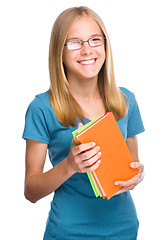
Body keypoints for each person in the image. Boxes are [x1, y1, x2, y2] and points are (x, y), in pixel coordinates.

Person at [22, 6, 145, 240]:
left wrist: (139, 175)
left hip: (124, 229)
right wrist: (69, 165)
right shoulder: (41, 108)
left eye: (94, 40)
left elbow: (133, 166)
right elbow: (31, 191)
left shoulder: (126, 100)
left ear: (105, 46)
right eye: (75, 43)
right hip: (68, 233)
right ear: (59, 51)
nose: (87, 50)